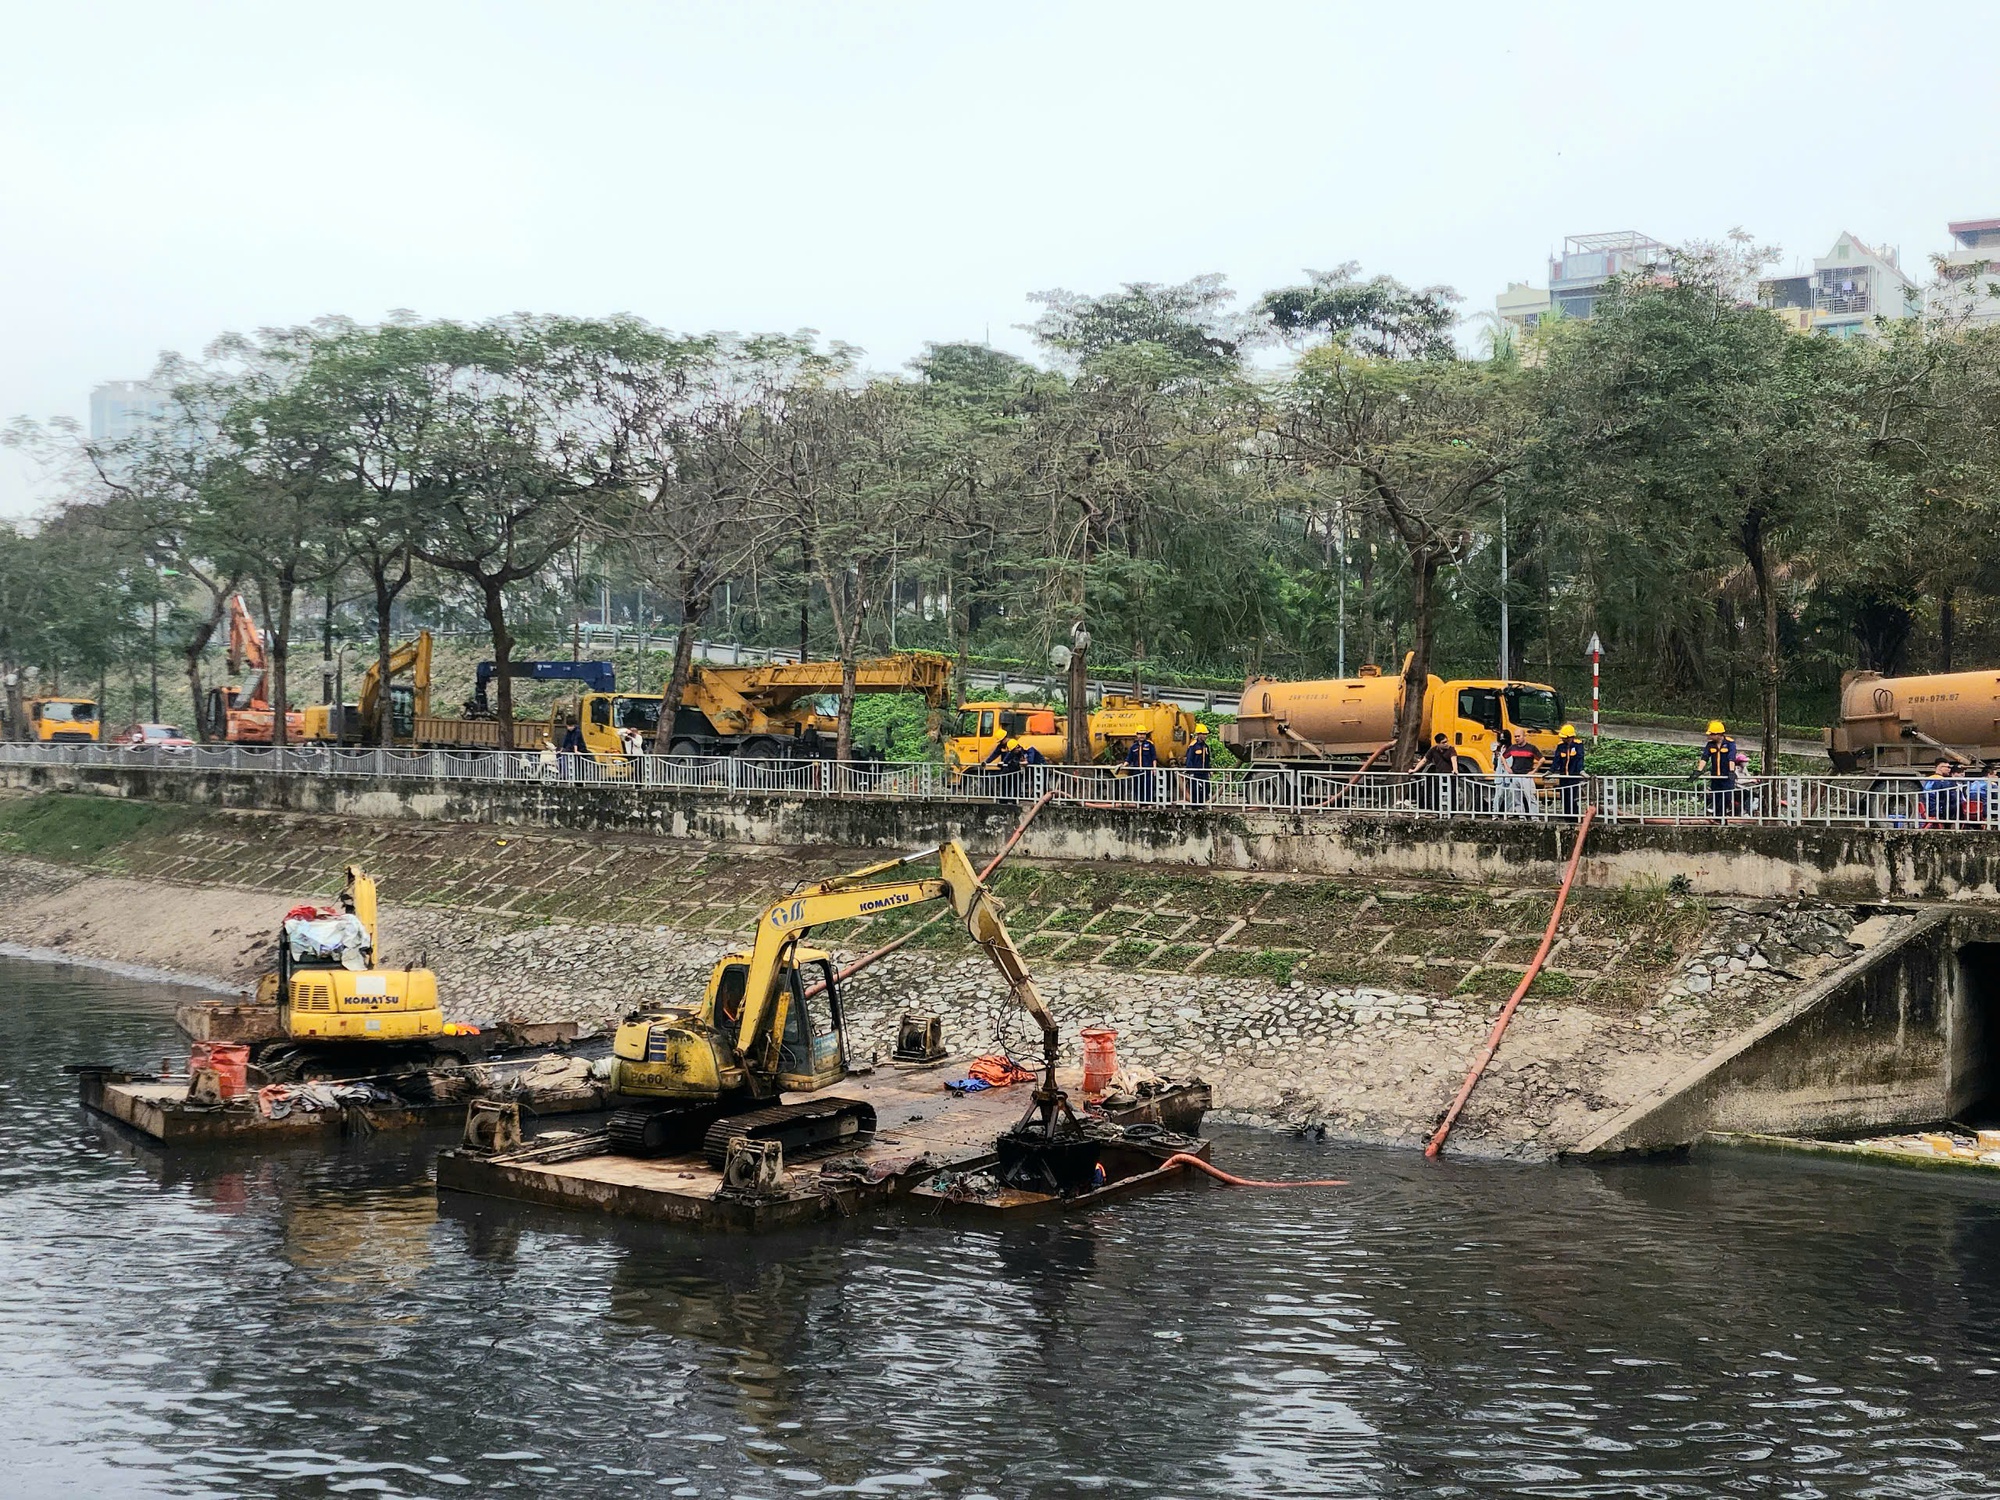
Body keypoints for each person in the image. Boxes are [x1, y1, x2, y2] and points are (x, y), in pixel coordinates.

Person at [1493, 730, 1542, 819]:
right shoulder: (1513, 748)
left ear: (1524, 736)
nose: (1517, 738)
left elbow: (1542, 759)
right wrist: (1508, 768)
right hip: (1515, 776)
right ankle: (1521, 816)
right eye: (1515, 736)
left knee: (1531, 798)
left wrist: (1533, 771)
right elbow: (1503, 757)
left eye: (1518, 736)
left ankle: (1535, 817)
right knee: (1517, 799)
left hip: (1526, 777)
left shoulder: (1531, 748)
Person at [1696, 720, 1740, 820]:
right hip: (1715, 776)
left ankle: (1721, 816)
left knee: (1727, 797)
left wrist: (1731, 771)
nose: (1710, 736)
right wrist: (1698, 771)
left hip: (1727, 776)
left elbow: (1731, 758)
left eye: (1711, 734)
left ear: (1719, 734)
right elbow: (1705, 758)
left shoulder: (1730, 743)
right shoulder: (1710, 745)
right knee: (1717, 797)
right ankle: (1718, 817)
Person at [1550, 723, 1586, 819]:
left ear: (1571, 737)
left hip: (1573, 776)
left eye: (1565, 738)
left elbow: (1580, 759)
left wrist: (1581, 771)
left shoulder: (1578, 745)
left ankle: (1574, 816)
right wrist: (1551, 771)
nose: (1563, 739)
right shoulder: (1561, 746)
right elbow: (1556, 760)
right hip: (1563, 776)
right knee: (1564, 796)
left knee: (1572, 797)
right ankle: (1566, 815)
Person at [1416, 731, 1457, 812]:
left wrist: (1455, 769)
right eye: (1443, 742)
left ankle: (1452, 812)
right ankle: (1437, 811)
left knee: (1452, 794)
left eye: (1446, 741)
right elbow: (1424, 760)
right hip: (1439, 775)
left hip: (1450, 776)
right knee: (1436, 794)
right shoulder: (1433, 750)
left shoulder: (1451, 749)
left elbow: (1454, 759)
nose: (1446, 744)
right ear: (1438, 743)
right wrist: (1415, 770)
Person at [1921, 759, 1962, 826]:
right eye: (1948, 767)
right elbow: (1954, 798)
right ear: (1940, 767)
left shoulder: (1929, 780)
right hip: (1939, 813)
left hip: (1929, 811)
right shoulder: (1943, 782)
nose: (1949, 769)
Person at [1126, 730, 1159, 803]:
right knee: (1137, 788)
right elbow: (1129, 758)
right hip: (1137, 772)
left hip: (1147, 771)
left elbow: (1154, 758)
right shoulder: (1133, 747)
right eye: (1140, 734)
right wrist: (1124, 765)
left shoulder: (1150, 745)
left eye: (1143, 734)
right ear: (1137, 735)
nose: (1141, 736)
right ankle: (1139, 804)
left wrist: (1154, 768)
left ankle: (1148, 803)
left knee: (1148, 788)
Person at [1185, 723, 1213, 805]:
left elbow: (1207, 760)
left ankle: (1202, 803)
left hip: (1204, 772)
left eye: (1206, 734)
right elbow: (1189, 760)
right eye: (1203, 734)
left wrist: (1209, 770)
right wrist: (1191, 772)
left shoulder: (1206, 747)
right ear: (1198, 734)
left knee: (1206, 788)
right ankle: (1195, 806)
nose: (1205, 736)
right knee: (1195, 790)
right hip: (1195, 772)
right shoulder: (1193, 746)